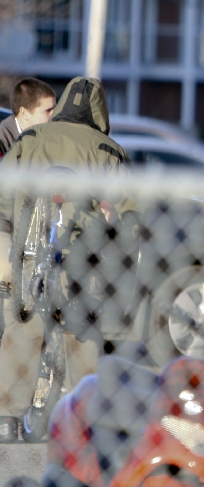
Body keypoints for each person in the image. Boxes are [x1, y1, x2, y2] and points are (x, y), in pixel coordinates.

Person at [0, 77, 130, 442]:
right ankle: (85, 417)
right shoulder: (108, 149)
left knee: (23, 327)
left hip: (31, 249)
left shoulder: (30, 139)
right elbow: (126, 211)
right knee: (81, 333)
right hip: (82, 258)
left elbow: (5, 196)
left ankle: (7, 417)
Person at [0, 78, 56, 157]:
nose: (55, 114)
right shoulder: (4, 140)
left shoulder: (53, 134)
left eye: (55, 108)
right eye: (48, 111)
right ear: (25, 113)